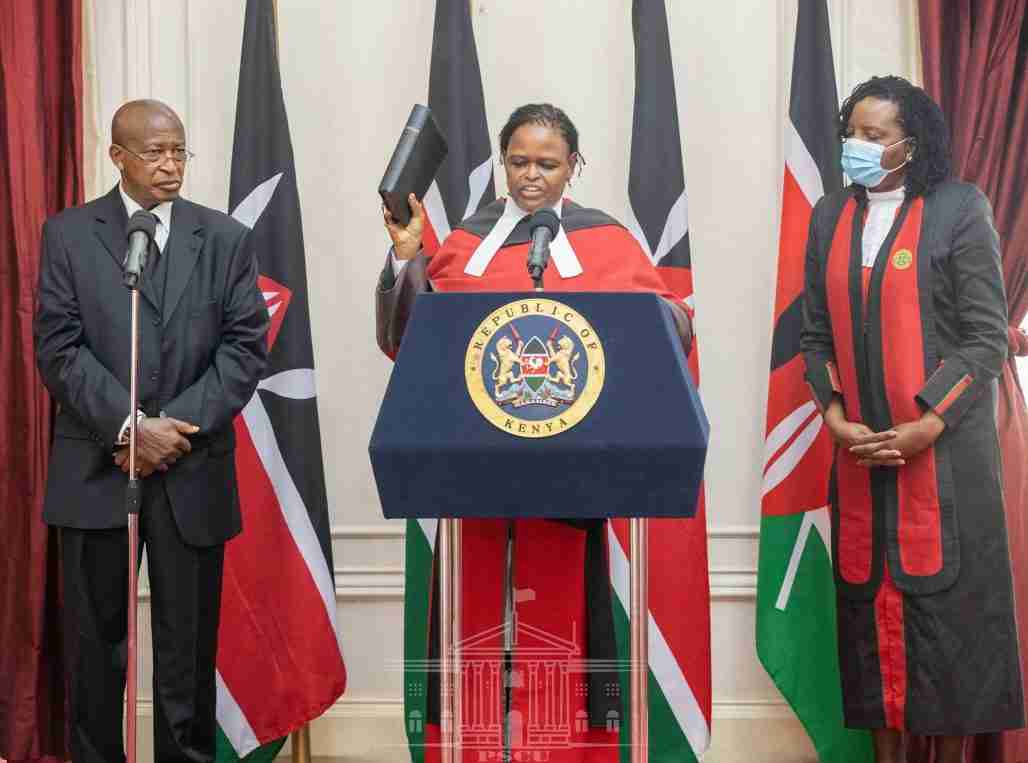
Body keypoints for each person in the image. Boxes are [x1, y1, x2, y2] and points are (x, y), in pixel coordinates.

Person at [376, 103, 692, 762]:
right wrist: (409, 258)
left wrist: (648, 317)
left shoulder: (606, 239)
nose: (530, 176)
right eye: (517, 160)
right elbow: (409, 341)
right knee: (472, 631)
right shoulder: (467, 240)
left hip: (571, 482)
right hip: (473, 483)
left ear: (573, 166)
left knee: (564, 634)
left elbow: (669, 333)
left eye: (547, 163)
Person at [34, 99, 269, 763]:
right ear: (118, 156)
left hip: (190, 472)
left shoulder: (224, 238)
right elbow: (58, 346)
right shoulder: (69, 235)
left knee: (185, 657)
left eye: (179, 151)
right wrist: (131, 424)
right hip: (95, 472)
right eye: (155, 152)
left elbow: (245, 348)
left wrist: (172, 430)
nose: (170, 164)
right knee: (93, 653)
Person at [801, 76, 1023, 763]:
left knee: (952, 633)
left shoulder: (960, 208)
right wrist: (836, 419)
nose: (857, 147)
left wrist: (928, 423)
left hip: (947, 458)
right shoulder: (829, 214)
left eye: (875, 136)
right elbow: (815, 336)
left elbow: (985, 337)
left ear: (911, 144)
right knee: (871, 627)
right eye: (852, 134)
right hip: (862, 455)